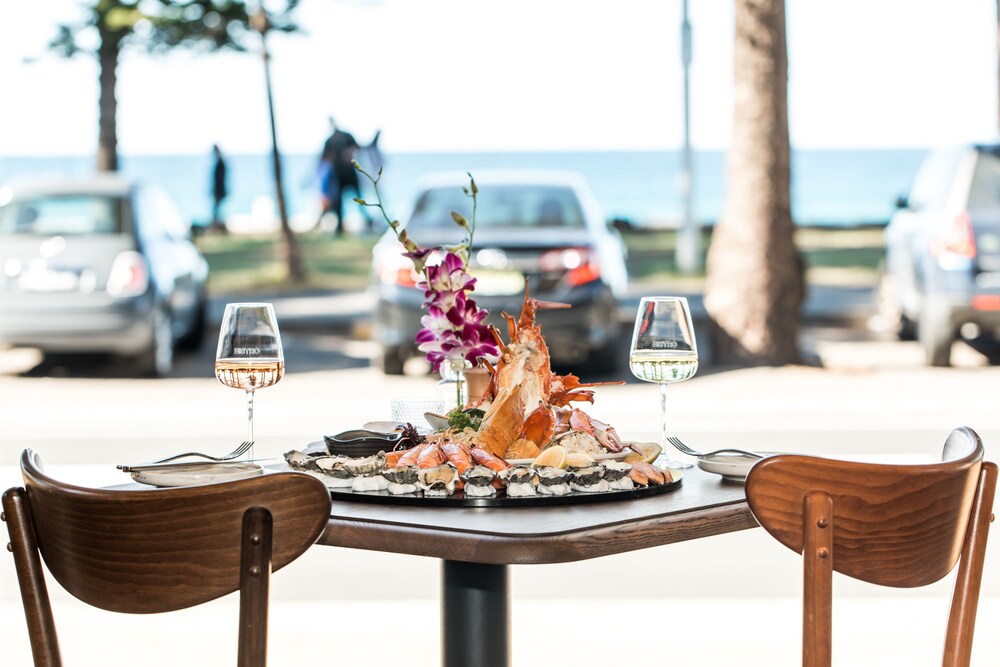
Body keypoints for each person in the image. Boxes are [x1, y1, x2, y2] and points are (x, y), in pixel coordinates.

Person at [316, 117, 371, 235]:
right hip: (337, 176)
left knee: (360, 200)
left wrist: (349, 152)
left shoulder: (347, 136)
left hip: (350, 173)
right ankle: (339, 229)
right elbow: (324, 158)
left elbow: (358, 147)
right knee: (338, 204)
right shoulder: (329, 140)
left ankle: (368, 224)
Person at [210, 144, 228, 232]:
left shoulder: (221, 162)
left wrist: (218, 192)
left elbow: (220, 180)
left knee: (216, 211)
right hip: (218, 191)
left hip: (219, 192)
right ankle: (218, 228)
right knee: (216, 211)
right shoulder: (220, 162)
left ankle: (219, 228)